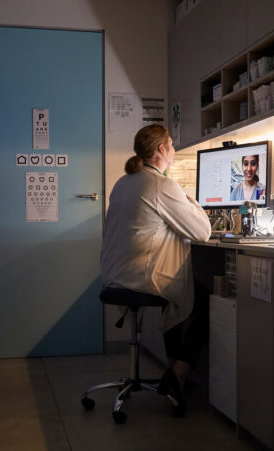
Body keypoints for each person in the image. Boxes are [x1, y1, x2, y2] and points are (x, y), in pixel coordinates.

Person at [100, 124, 212, 414]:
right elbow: (202, 231)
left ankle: (173, 369)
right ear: (161, 149)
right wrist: (188, 197)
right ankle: (180, 371)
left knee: (176, 290)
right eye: (172, 144)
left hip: (116, 277)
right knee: (204, 301)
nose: (174, 150)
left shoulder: (124, 182)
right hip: (141, 278)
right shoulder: (161, 184)